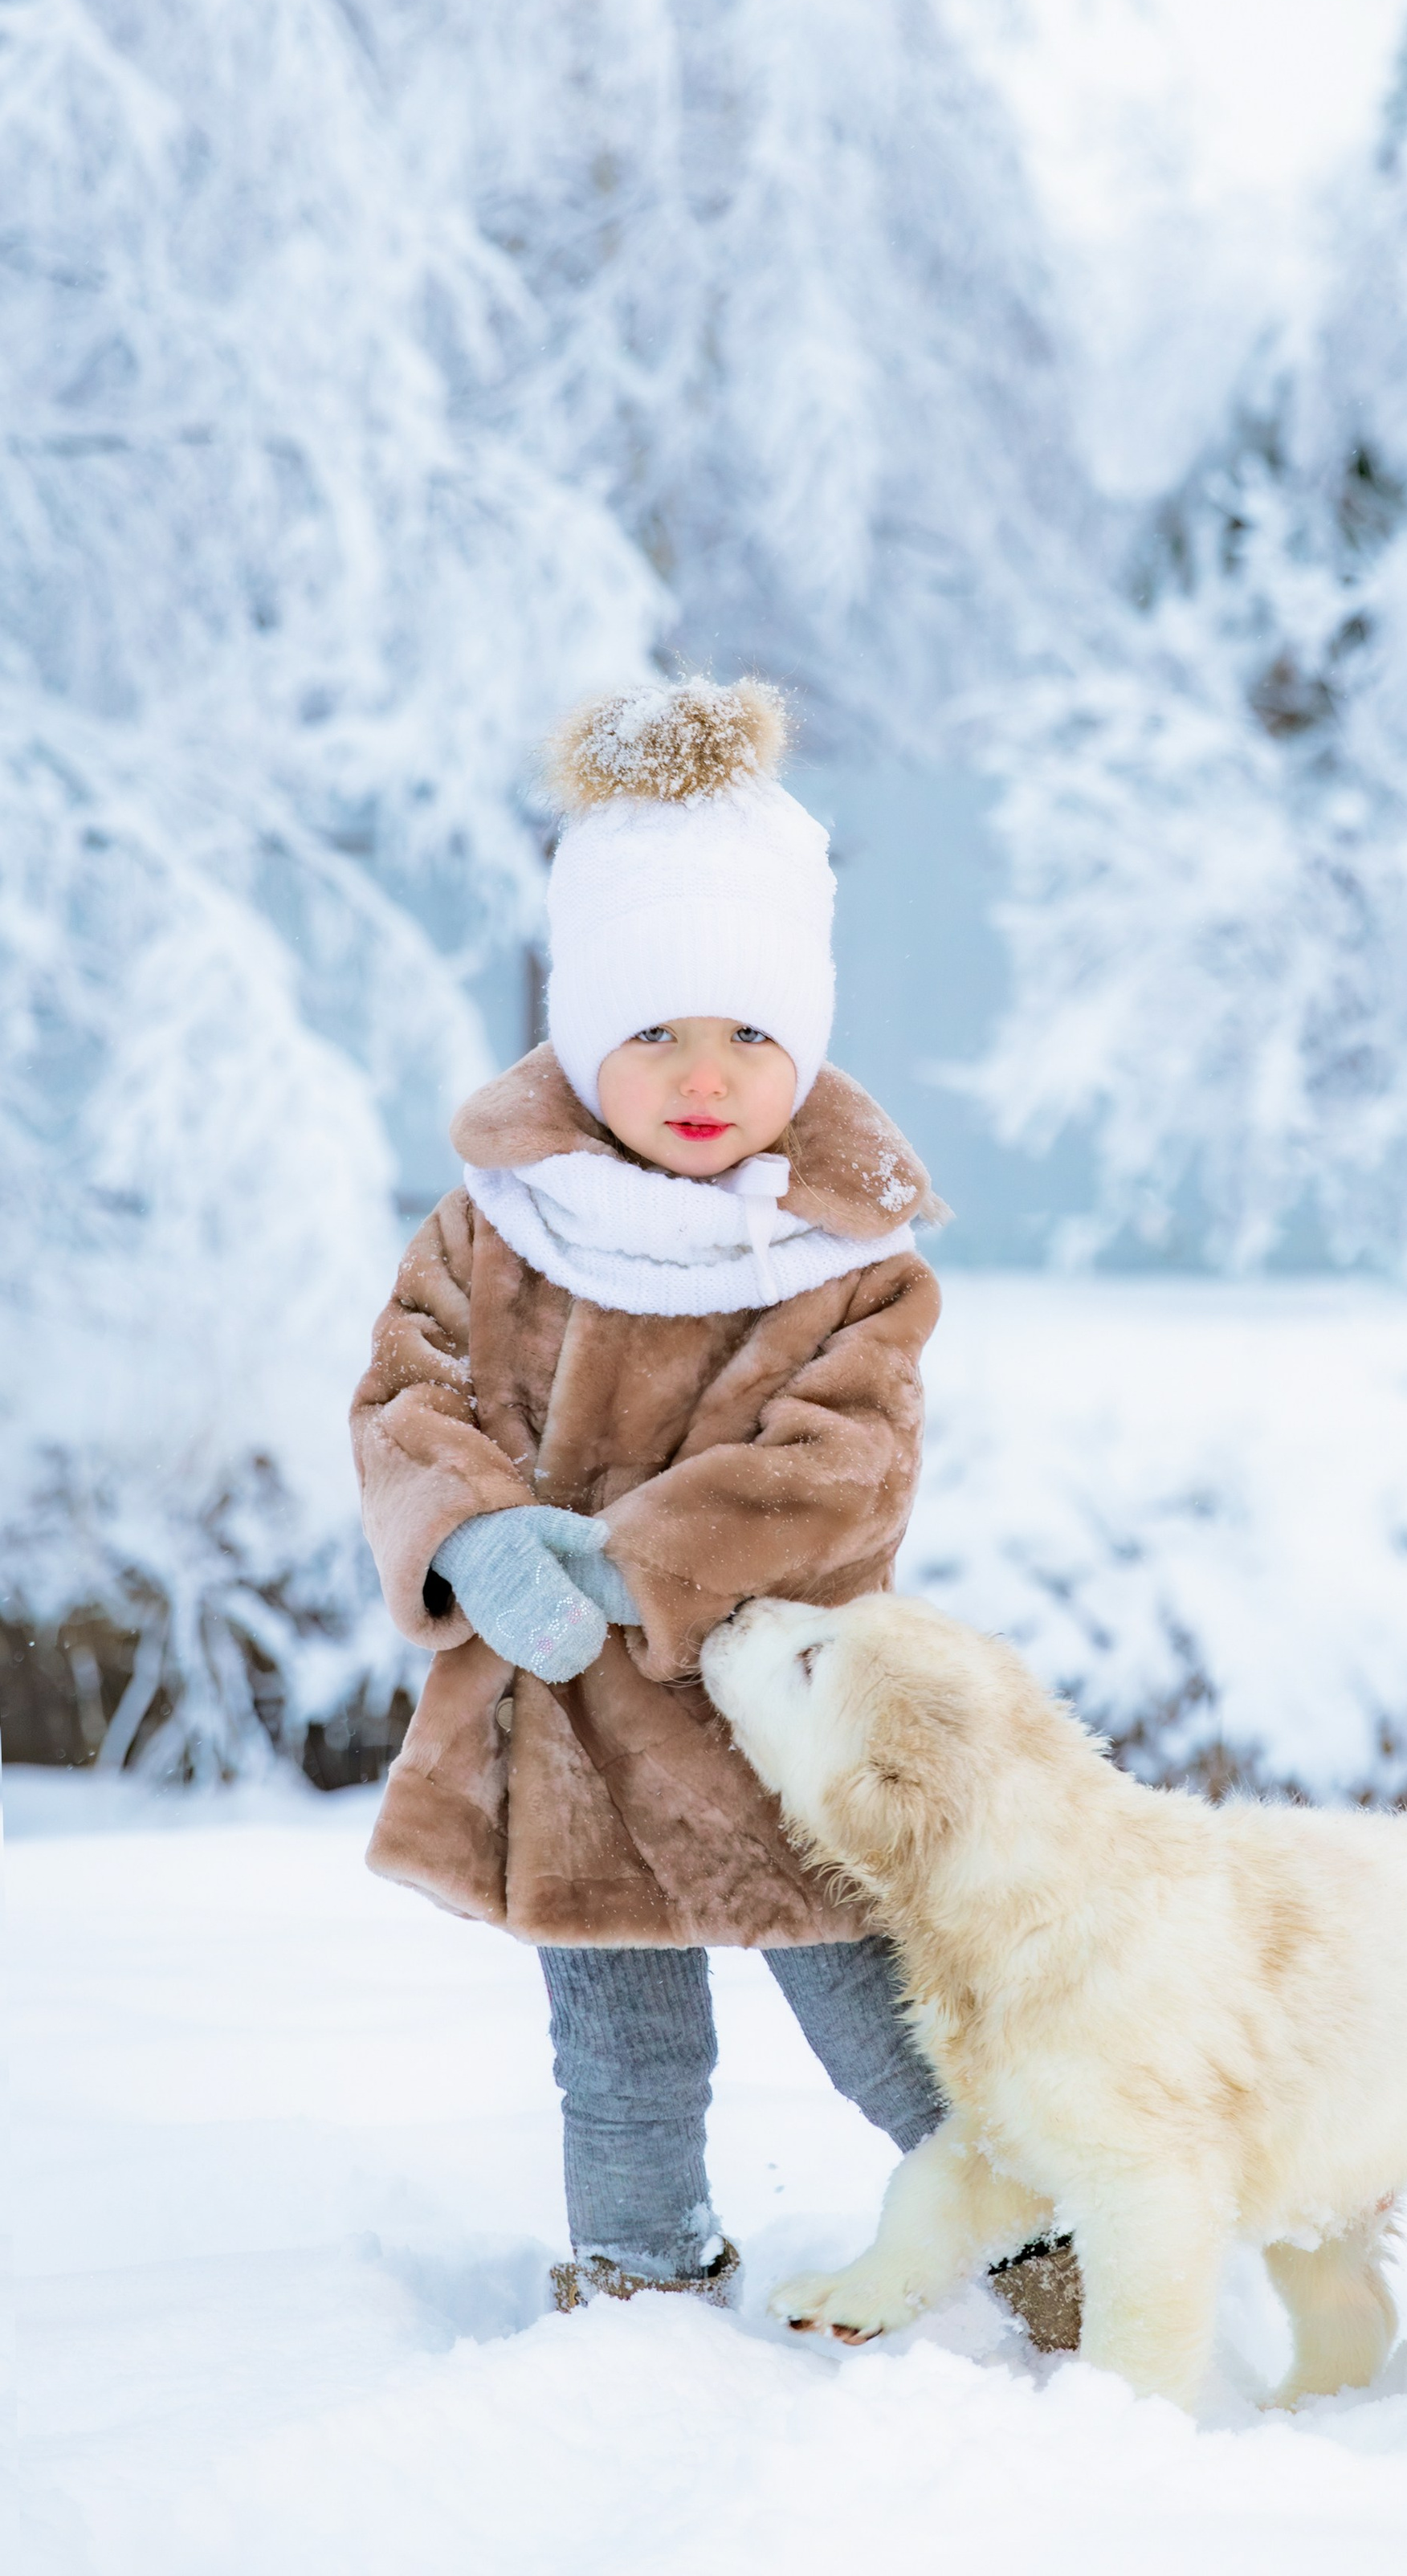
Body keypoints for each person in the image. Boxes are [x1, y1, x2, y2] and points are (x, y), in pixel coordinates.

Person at [351, 672, 1072, 2334]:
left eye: (748, 1031)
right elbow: (407, 1391)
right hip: (556, 1719)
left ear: (803, 1041)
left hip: (771, 1712)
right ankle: (641, 2269)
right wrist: (469, 1530)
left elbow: (843, 1460)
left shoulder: (838, 1254)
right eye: (653, 1027)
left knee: (872, 2009)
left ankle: (1041, 2222)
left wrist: (627, 1561)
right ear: (582, 1028)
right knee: (614, 2036)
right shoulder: (499, 1221)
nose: (702, 1070)